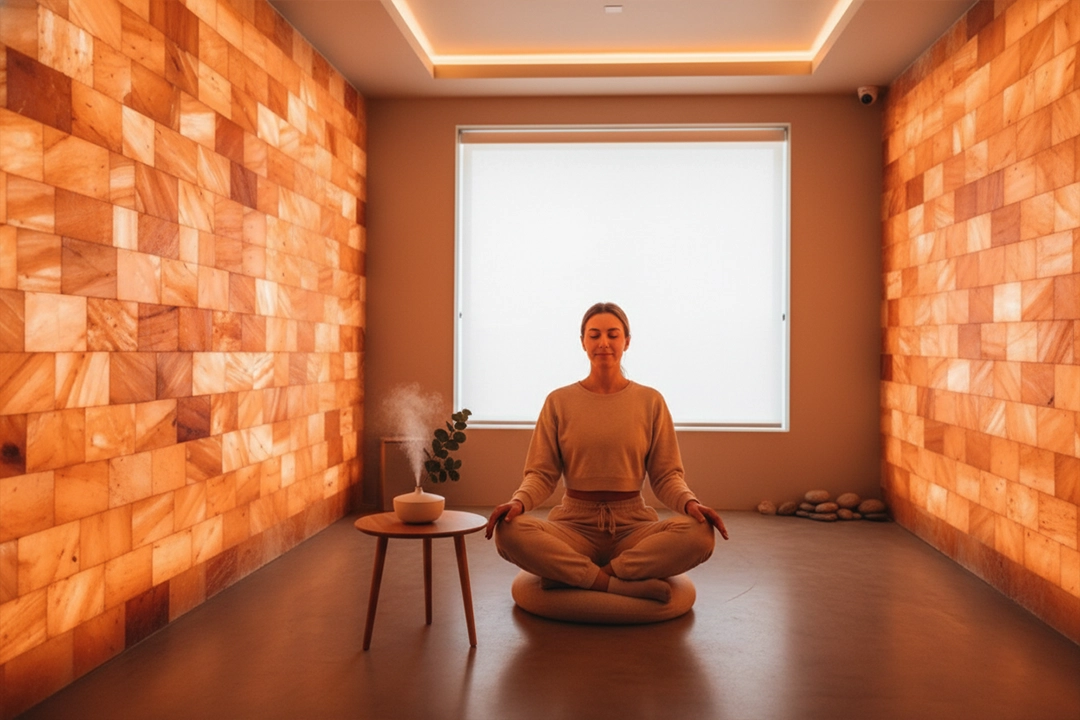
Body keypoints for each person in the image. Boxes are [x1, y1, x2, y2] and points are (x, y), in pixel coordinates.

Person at [485, 302, 728, 603]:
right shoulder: (558, 401)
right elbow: (541, 474)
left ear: (627, 341)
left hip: (633, 527)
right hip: (572, 525)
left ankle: (580, 577)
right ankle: (615, 583)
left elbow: (666, 476)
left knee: (700, 535)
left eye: (613, 335)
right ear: (583, 342)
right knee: (509, 533)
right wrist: (518, 503)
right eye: (594, 335)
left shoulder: (650, 401)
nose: (603, 343)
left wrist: (691, 504)